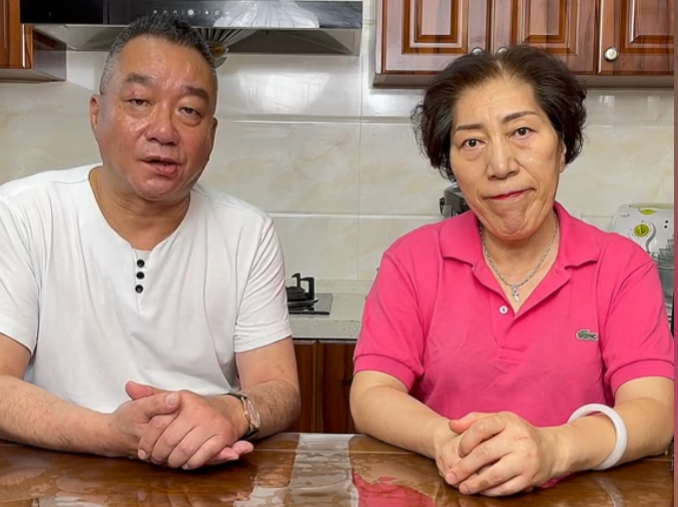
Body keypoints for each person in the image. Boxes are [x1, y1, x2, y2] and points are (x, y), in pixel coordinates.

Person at [349, 45, 674, 497]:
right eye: (472, 142)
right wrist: (445, 440)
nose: (500, 166)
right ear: (450, 164)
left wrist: (554, 448)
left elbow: (655, 411)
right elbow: (371, 394)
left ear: (562, 147)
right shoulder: (411, 260)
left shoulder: (621, 267)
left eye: (522, 131)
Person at [0, 14, 301, 471]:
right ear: (97, 114)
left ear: (211, 135)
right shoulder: (22, 214)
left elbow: (279, 388)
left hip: (208, 476)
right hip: (59, 473)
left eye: (189, 111)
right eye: (139, 101)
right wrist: (110, 433)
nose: (164, 131)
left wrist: (231, 412)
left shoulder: (248, 231)